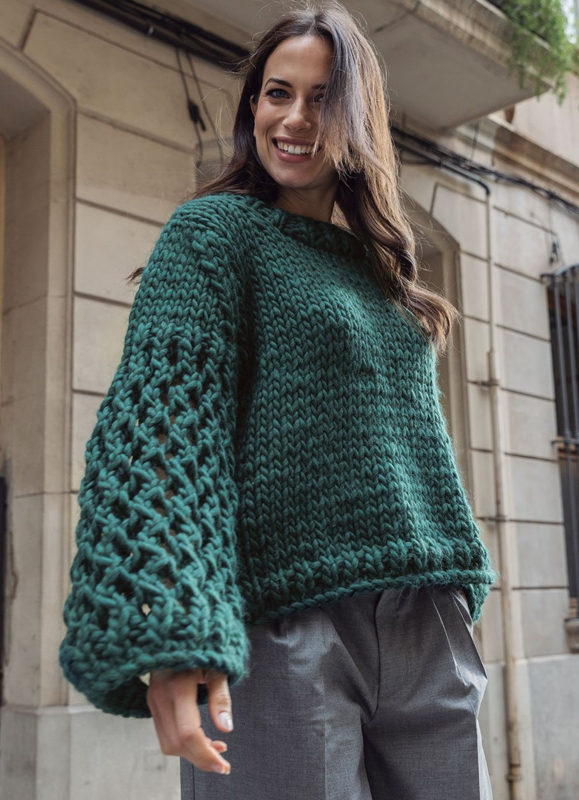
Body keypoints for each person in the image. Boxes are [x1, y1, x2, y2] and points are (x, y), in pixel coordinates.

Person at [59, 1, 498, 798]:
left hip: (427, 617)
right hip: (284, 618)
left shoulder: (382, 275)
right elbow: (163, 429)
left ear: (357, 117)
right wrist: (181, 619)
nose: (294, 118)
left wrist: (455, 594)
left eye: (322, 98)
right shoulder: (213, 234)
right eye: (276, 93)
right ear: (252, 106)